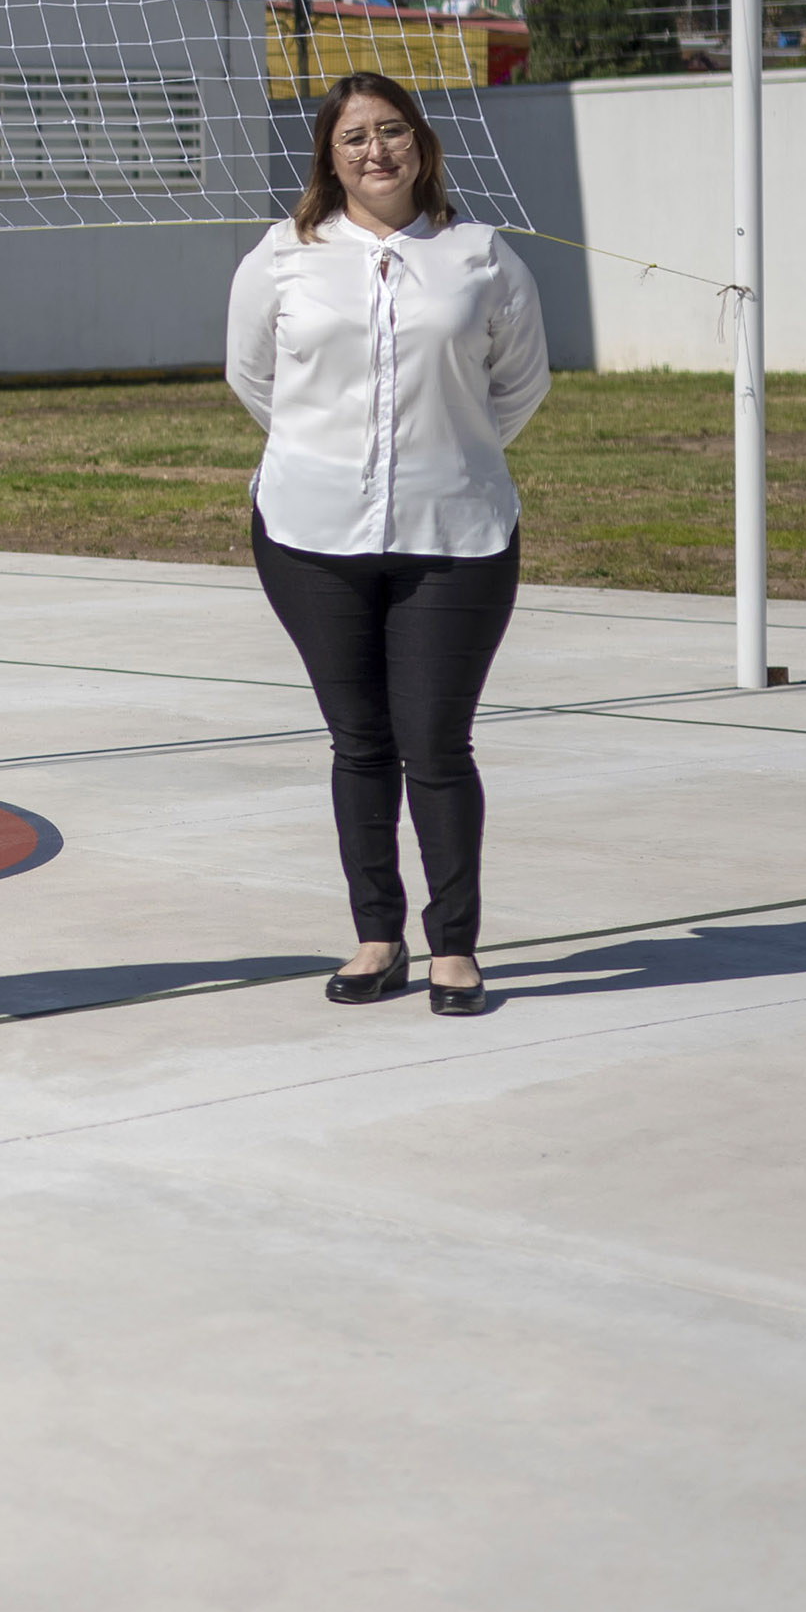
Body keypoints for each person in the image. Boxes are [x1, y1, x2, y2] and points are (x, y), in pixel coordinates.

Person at [224, 69, 545, 1019]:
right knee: (359, 743)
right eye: (355, 136)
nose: (376, 151)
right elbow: (253, 377)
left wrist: (447, 455)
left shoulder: (480, 255)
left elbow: (519, 385)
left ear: (423, 145)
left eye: (393, 132)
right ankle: (377, 936)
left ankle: (455, 948)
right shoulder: (282, 257)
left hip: (457, 535)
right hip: (310, 534)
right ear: (329, 153)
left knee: (436, 745)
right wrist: (327, 458)